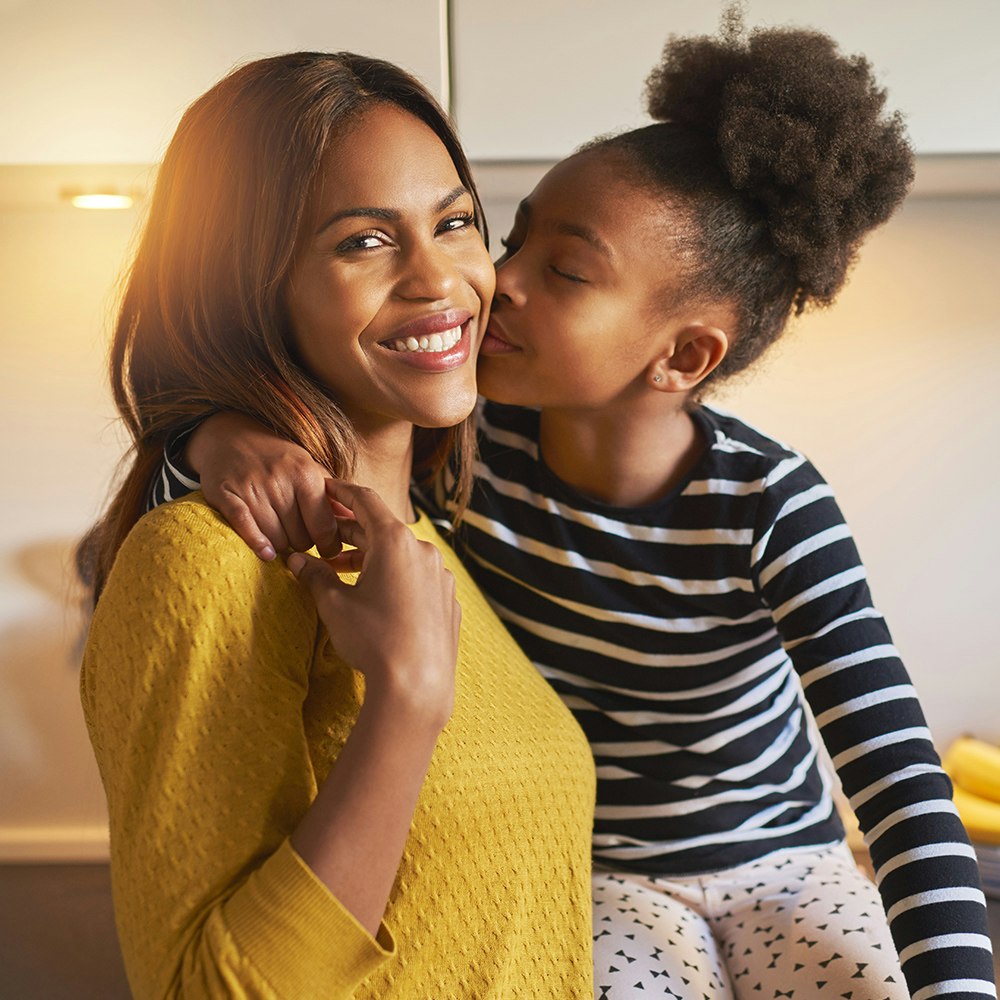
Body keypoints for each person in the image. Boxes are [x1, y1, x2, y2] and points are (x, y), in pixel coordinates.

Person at [150, 19, 998, 1000]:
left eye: (565, 271)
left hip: (784, 861)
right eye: (513, 238)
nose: (496, 280)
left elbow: (896, 779)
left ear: (682, 356)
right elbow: (192, 534)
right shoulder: (456, 448)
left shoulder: (771, 506)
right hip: (598, 875)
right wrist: (214, 439)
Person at [77, 51, 597, 1000]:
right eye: (363, 242)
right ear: (248, 285)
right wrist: (405, 703)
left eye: (455, 223)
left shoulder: (433, 541)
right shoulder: (202, 564)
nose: (439, 280)